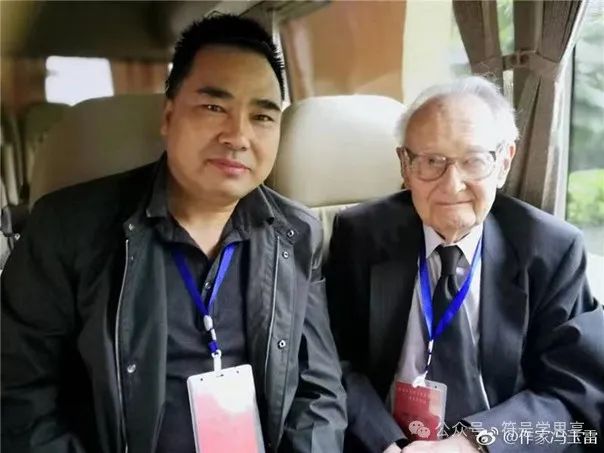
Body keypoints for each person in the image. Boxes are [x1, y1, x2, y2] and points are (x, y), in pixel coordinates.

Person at [1, 14, 346, 453]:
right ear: (168, 116)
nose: (238, 136)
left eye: (261, 116)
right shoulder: (65, 229)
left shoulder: (296, 233)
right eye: (214, 107)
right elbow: (18, 398)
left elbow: (318, 391)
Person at [326, 76, 604, 453]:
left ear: (503, 163)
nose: (452, 185)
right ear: (405, 165)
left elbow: (575, 392)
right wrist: (385, 444)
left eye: (474, 161)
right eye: (431, 162)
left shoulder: (552, 250)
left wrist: (469, 445)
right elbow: (335, 362)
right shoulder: (361, 235)